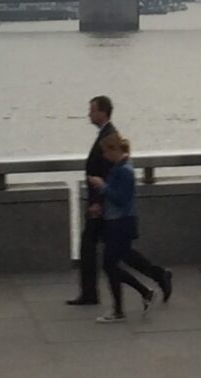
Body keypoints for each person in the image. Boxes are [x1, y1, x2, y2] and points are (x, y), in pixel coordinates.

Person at [88, 134, 172, 322]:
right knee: (121, 259)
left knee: (110, 264)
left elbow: (121, 198)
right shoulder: (121, 168)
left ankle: (124, 306)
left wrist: (102, 187)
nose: (103, 156)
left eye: (105, 152)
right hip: (120, 221)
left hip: (120, 222)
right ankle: (149, 286)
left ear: (114, 150)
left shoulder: (124, 171)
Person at [68, 95, 118, 306]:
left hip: (101, 202)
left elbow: (108, 170)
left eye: (92, 110)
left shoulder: (109, 136)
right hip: (102, 201)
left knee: (89, 245)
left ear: (102, 113)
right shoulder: (106, 133)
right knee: (119, 250)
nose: (89, 114)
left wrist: (97, 201)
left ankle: (90, 293)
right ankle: (158, 275)